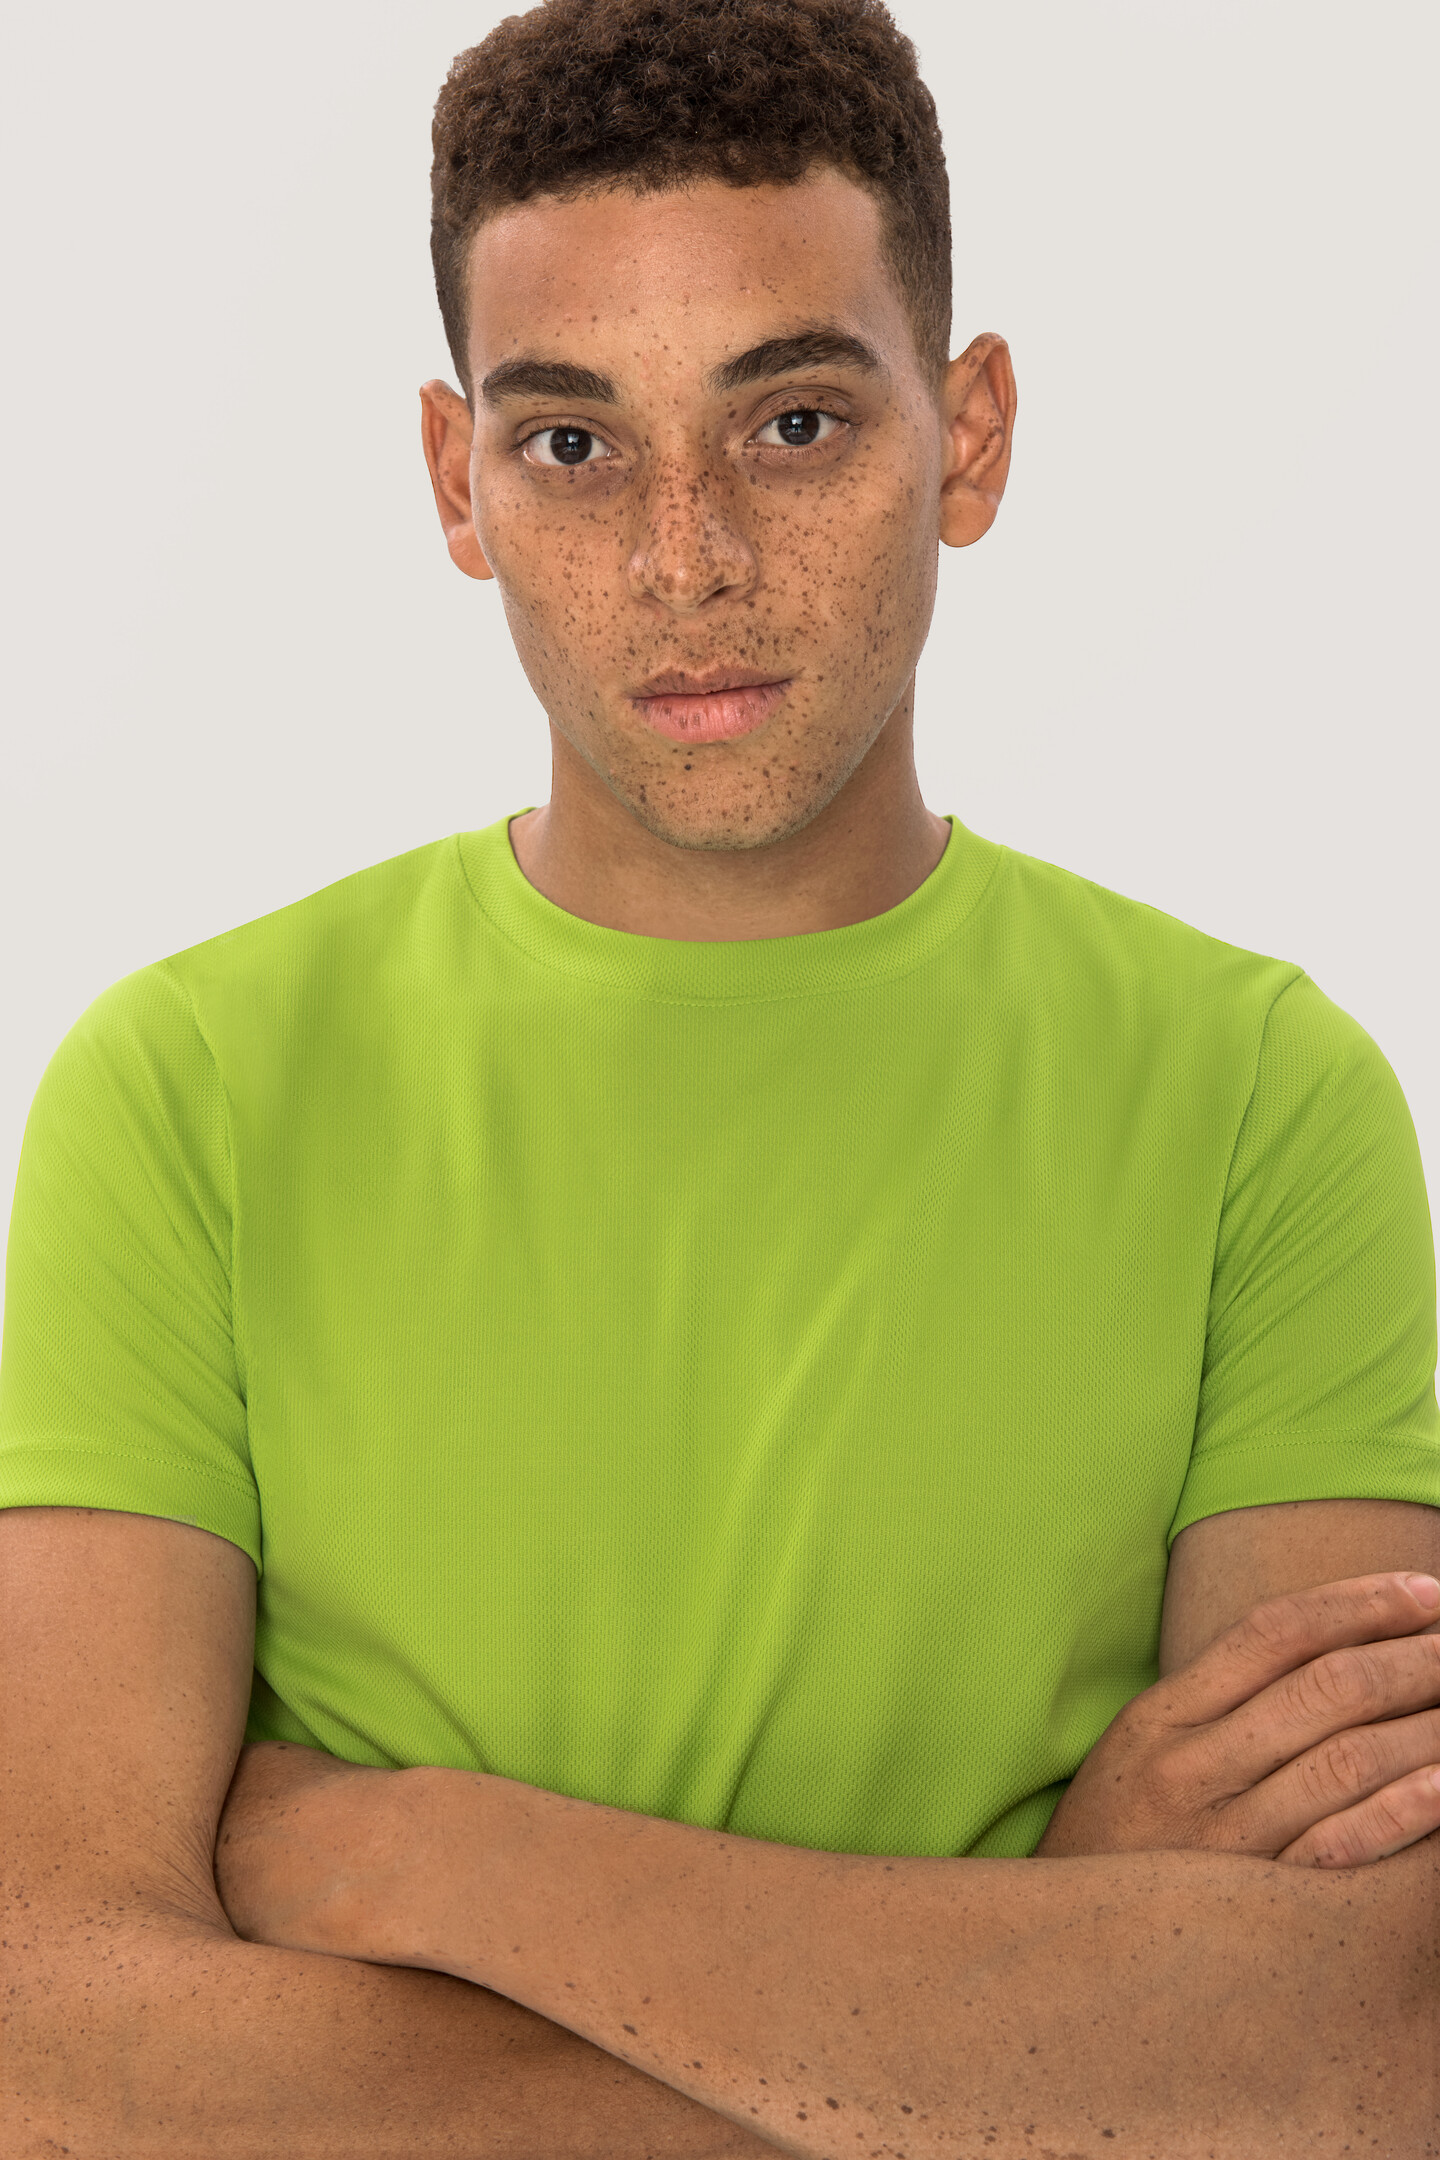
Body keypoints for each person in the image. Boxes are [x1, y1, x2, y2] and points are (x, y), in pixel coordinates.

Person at [3, 1, 1437, 2152]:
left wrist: (438, 1859)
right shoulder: (187, 1090)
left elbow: (1357, 2044)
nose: (686, 559)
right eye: (575, 446)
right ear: (457, 480)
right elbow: (54, 2048)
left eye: (792, 423)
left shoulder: (1262, 1098)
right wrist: (1033, 2001)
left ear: (968, 437)